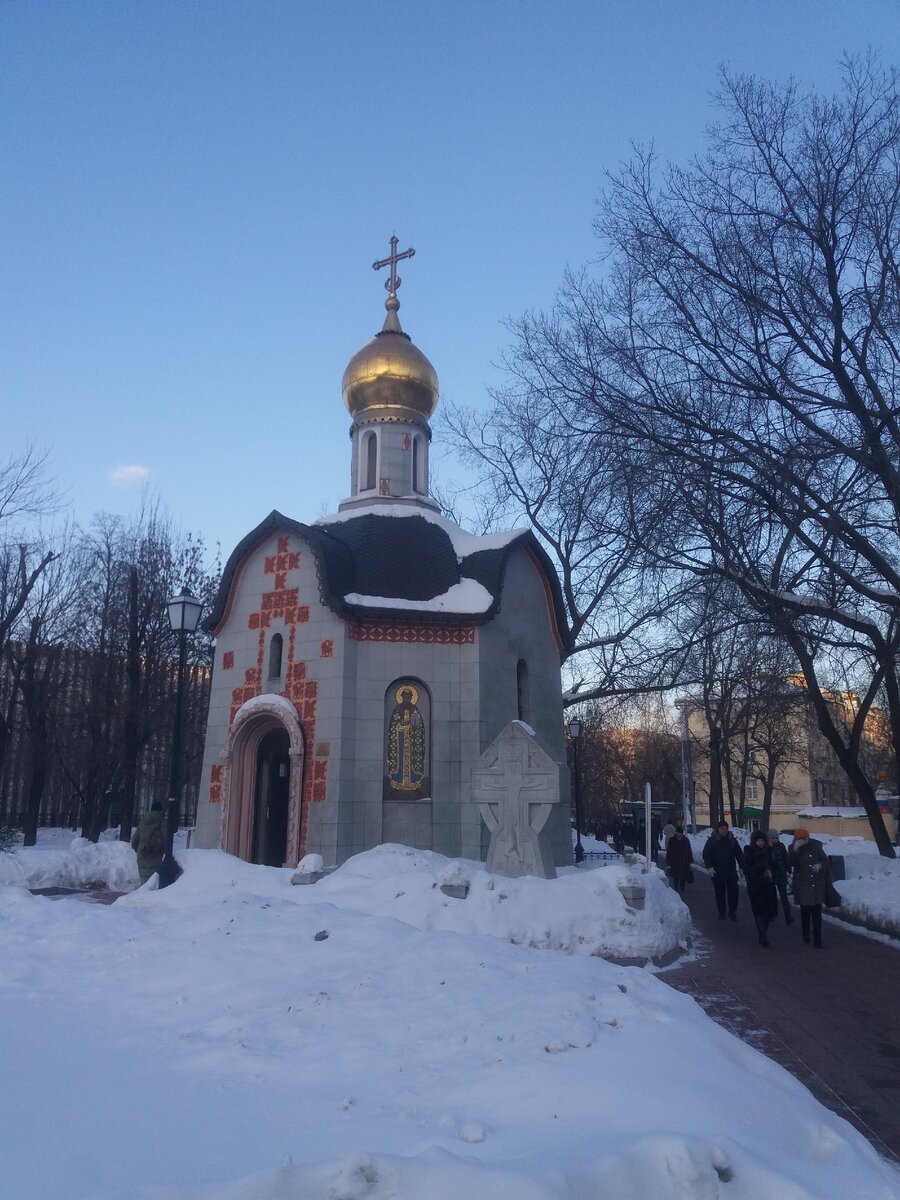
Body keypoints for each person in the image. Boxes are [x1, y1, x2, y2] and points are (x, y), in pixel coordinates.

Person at [788, 828, 829, 948]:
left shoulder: (816, 846)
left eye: (805, 838)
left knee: (817, 913)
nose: (803, 841)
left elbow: (826, 861)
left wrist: (820, 865)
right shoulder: (794, 848)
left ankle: (818, 939)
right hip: (803, 884)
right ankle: (806, 933)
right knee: (805, 912)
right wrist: (795, 849)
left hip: (816, 885)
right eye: (800, 839)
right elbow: (789, 862)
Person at [742, 829, 779, 946]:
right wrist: (757, 871)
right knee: (759, 911)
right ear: (754, 841)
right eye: (758, 841)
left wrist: (773, 867)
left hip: (768, 885)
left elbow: (773, 864)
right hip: (755, 886)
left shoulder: (768, 851)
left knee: (768, 911)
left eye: (762, 840)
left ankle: (764, 930)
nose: (761, 843)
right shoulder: (749, 852)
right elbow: (746, 869)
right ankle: (762, 934)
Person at [702, 820, 743, 920]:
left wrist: (742, 866)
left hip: (731, 871)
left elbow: (739, 854)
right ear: (718, 829)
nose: (724, 830)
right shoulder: (712, 841)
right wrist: (709, 867)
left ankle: (732, 912)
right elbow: (706, 854)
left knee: (734, 892)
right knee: (720, 894)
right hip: (718, 872)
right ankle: (722, 912)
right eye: (722, 828)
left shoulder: (732, 840)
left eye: (726, 828)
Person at [131, 800, 167, 885]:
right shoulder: (163, 824)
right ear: (160, 810)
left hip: (142, 855)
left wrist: (140, 850)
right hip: (156, 857)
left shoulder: (143, 823)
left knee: (144, 884)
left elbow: (134, 841)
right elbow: (167, 842)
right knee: (153, 884)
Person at [767, 829, 794, 925]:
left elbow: (785, 858)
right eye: (772, 838)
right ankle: (772, 915)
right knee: (771, 897)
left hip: (781, 873)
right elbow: (766, 859)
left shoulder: (781, 846)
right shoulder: (766, 848)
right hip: (771, 875)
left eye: (776, 838)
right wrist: (769, 848)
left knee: (784, 897)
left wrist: (789, 869)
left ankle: (788, 916)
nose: (774, 840)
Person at [665, 826, 694, 893]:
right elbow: (669, 851)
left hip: (684, 860)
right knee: (676, 875)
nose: (679, 834)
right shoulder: (672, 840)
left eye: (680, 833)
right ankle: (676, 887)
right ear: (676, 833)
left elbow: (689, 850)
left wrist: (690, 860)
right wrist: (668, 861)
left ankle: (682, 886)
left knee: (684, 875)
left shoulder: (686, 840)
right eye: (678, 832)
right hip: (675, 860)